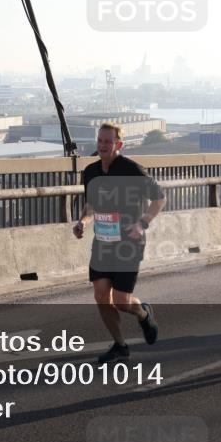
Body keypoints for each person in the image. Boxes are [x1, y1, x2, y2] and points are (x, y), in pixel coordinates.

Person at [73, 123, 166, 363]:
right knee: (101, 295)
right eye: (100, 141)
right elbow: (91, 205)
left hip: (129, 244)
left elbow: (159, 198)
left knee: (122, 301)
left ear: (119, 144)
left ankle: (143, 314)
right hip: (103, 243)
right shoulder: (90, 171)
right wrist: (83, 221)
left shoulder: (132, 170)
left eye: (108, 141)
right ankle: (120, 345)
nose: (103, 145)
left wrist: (142, 223)